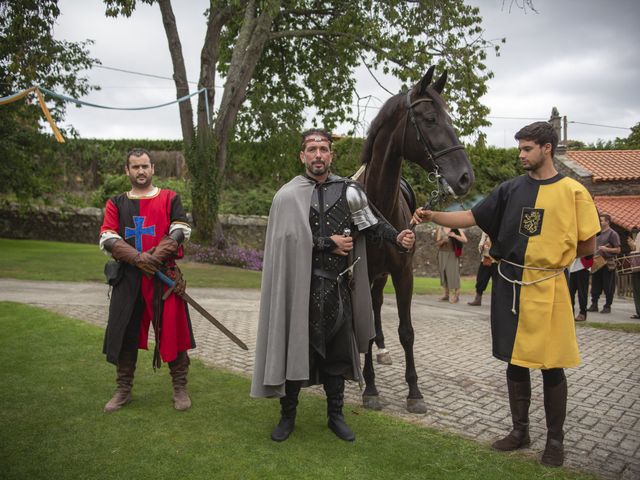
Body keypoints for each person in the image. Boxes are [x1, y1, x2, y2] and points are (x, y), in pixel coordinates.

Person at [412, 122, 599, 467]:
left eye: (527, 149)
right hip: (509, 284)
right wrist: (430, 214)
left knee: (551, 364)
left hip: (549, 286)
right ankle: (520, 431)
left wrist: (552, 264)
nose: (521, 155)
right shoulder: (510, 189)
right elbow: (470, 216)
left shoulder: (574, 191)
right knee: (515, 360)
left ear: (547, 148)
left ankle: (555, 441)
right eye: (520, 149)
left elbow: (588, 244)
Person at [251, 129, 416, 442]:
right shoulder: (287, 195)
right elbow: (286, 242)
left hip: (338, 290)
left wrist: (397, 236)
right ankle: (288, 418)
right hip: (299, 289)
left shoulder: (349, 191)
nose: (318, 155)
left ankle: (336, 416)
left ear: (331, 155)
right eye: (312, 149)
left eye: (323, 149)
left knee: (337, 358)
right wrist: (328, 243)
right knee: (294, 352)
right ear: (302, 156)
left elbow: (373, 221)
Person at [99, 148, 194, 413]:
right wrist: (138, 258)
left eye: (145, 166)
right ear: (127, 171)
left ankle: (180, 387)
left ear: (153, 168)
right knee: (126, 334)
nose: (140, 171)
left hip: (164, 279)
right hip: (128, 280)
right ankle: (123, 389)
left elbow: (179, 230)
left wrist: (155, 257)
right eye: (135, 167)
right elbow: (108, 237)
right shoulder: (116, 203)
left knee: (172, 332)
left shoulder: (170, 198)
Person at [587, 214, 621, 314]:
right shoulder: (597, 233)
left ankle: (607, 306)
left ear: (607, 222)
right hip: (597, 262)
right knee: (595, 284)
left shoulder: (613, 234)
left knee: (608, 286)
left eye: (602, 220)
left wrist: (606, 249)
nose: (600, 222)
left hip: (607, 263)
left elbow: (618, 249)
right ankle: (594, 305)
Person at [434, 226, 467, 303]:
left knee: (453, 274)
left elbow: (465, 240)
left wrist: (455, 235)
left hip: (452, 254)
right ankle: (446, 295)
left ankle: (456, 295)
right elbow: (437, 243)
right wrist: (443, 241)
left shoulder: (456, 228)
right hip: (442, 253)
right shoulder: (440, 228)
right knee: (444, 274)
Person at [468, 231, 496, 306]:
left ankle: (497, 302)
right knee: (481, 279)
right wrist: (481, 246)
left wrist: (491, 246)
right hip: (486, 260)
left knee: (497, 282)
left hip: (496, 261)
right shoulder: (485, 232)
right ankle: (478, 299)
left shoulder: (500, 230)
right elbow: (480, 244)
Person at [569, 255, 593, 322]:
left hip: (582, 267)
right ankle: (571, 313)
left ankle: (583, 313)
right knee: (570, 292)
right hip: (572, 268)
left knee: (582, 292)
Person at [629, 226, 640, 320]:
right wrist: (632, 244)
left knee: (637, 289)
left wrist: (632, 244)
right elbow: (635, 249)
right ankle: (639, 312)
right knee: (637, 289)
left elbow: (636, 250)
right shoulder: (638, 234)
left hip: (638, 265)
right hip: (637, 265)